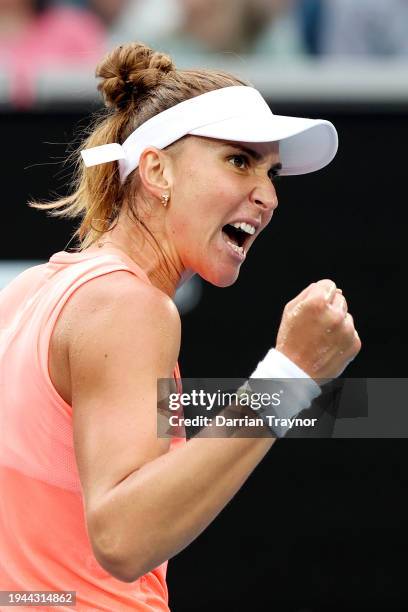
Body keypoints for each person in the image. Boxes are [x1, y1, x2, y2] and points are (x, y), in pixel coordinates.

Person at [0, 41, 361, 610]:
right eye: (239, 160)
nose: (267, 196)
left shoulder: (27, 293)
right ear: (156, 169)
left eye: (272, 173)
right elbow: (122, 539)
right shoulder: (129, 307)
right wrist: (290, 375)